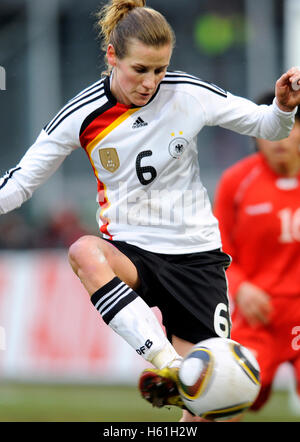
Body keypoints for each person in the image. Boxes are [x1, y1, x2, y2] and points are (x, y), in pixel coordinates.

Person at [0, 0, 300, 422]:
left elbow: (266, 126)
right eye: (140, 69)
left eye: (159, 69)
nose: (151, 82)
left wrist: (284, 108)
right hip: (133, 252)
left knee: (213, 413)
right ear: (112, 57)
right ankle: (171, 367)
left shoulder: (188, 93)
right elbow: (20, 183)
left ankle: (190, 387)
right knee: (85, 251)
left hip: (196, 260)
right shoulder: (82, 114)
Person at [213, 92, 300, 418]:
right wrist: (241, 287)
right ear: (256, 136)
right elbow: (218, 250)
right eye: (270, 130)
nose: (279, 138)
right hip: (258, 317)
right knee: (226, 401)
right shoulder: (237, 182)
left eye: (289, 127)